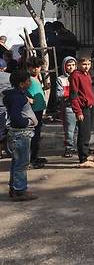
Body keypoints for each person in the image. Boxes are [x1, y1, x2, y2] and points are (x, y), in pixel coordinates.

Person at [4, 68, 39, 201]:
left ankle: (14, 188)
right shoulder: (18, 97)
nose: (30, 82)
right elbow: (16, 118)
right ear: (21, 84)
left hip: (17, 134)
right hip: (21, 134)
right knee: (22, 163)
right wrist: (28, 122)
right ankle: (20, 190)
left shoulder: (14, 95)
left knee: (16, 162)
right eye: (28, 80)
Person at [69, 57, 94, 168]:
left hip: (90, 106)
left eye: (88, 64)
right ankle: (82, 159)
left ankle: (86, 154)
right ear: (78, 64)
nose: (87, 66)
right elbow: (73, 96)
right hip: (82, 108)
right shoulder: (75, 76)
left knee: (87, 133)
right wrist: (78, 112)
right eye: (84, 64)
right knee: (83, 134)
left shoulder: (87, 75)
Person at [25, 56, 48, 169]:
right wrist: (28, 99)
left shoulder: (38, 77)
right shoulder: (27, 79)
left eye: (38, 67)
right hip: (32, 111)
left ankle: (35, 156)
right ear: (29, 68)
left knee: (37, 135)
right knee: (33, 135)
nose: (36, 69)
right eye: (33, 67)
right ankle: (31, 160)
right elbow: (21, 91)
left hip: (39, 110)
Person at [56, 56, 77, 158]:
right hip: (68, 106)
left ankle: (80, 146)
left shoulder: (79, 76)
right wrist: (72, 94)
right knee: (70, 129)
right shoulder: (61, 79)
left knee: (80, 128)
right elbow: (59, 93)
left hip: (80, 106)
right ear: (64, 66)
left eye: (73, 65)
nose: (71, 67)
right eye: (68, 65)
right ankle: (69, 147)